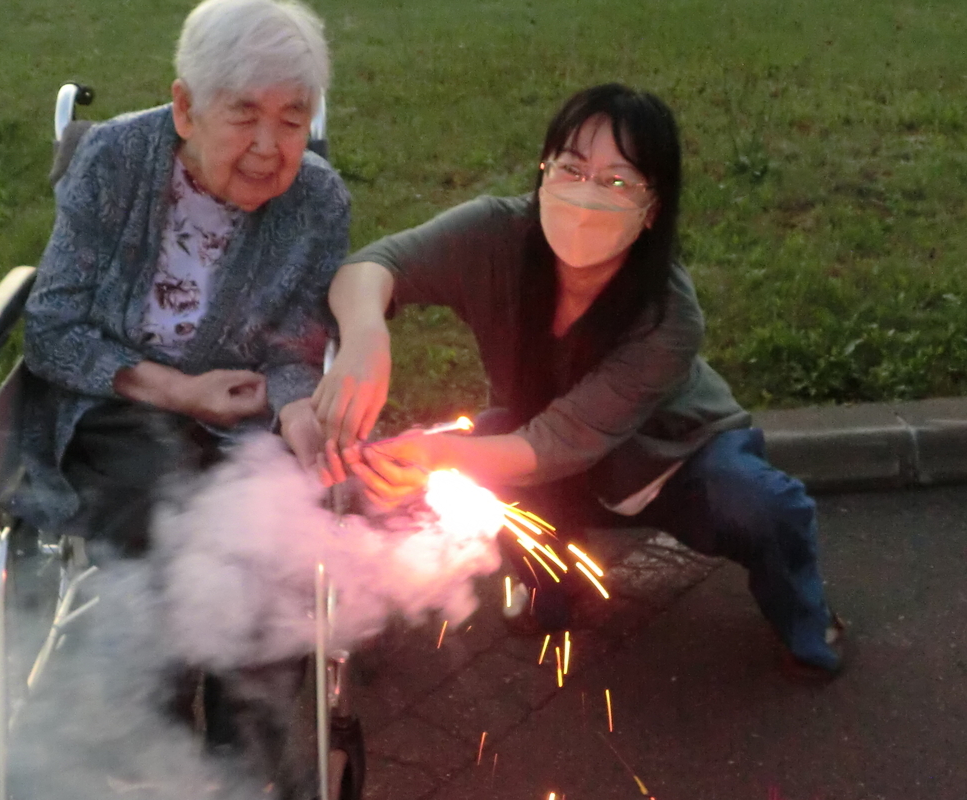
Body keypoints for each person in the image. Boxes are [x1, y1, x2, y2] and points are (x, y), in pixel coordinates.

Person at [313, 83, 846, 680]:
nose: (587, 194)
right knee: (487, 466)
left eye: (618, 180)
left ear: (653, 208)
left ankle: (806, 621)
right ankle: (553, 588)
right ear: (544, 172)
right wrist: (366, 337)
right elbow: (374, 265)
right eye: (572, 168)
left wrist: (438, 456)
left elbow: (553, 445)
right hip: (541, 443)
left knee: (757, 503)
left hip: (672, 460)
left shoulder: (669, 316)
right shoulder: (496, 236)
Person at [8, 0, 348, 554]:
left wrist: (295, 407)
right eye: (244, 115)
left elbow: (296, 344)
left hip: (246, 423)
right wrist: (183, 392)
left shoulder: (318, 201)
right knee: (171, 510)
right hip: (117, 411)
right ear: (187, 109)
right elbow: (52, 330)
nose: (268, 147)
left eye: (292, 120)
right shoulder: (113, 161)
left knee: (283, 518)